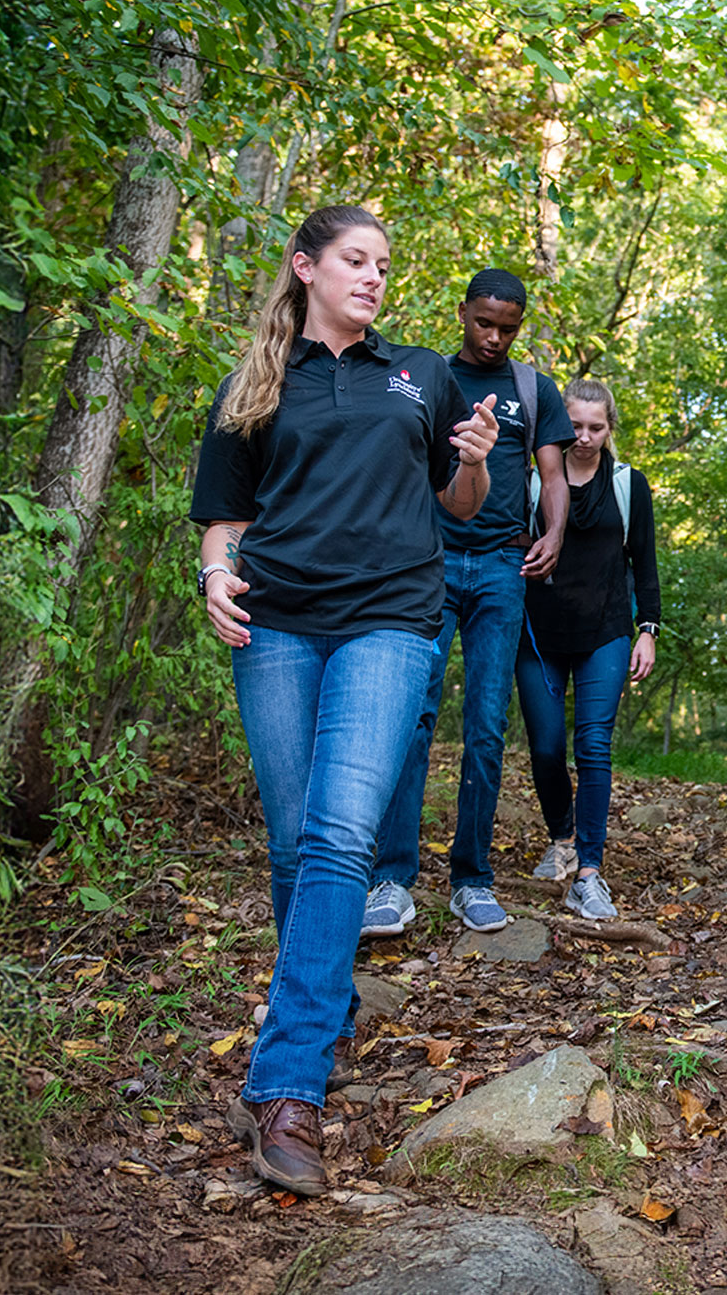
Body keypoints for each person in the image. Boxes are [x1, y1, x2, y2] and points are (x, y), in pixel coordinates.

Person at [190, 205, 499, 1195]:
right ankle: (320, 1002)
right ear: (305, 266)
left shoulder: (417, 373)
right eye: (354, 261)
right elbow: (221, 520)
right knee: (291, 846)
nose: (372, 277)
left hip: (390, 620)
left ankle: (286, 1092)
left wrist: (477, 458)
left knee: (334, 842)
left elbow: (455, 506)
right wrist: (212, 578)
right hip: (275, 625)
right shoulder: (255, 383)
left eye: (381, 265)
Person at [360, 268, 574, 939]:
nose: (494, 336)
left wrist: (556, 532)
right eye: (484, 322)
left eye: (508, 327)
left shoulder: (532, 389)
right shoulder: (428, 377)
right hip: (429, 563)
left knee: (486, 724)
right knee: (413, 713)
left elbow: (553, 472)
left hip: (504, 567)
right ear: (463, 313)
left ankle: (471, 878)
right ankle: (392, 879)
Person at [513, 379, 660, 919]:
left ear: (609, 428)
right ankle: (563, 838)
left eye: (596, 427)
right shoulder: (531, 483)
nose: (584, 437)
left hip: (606, 631)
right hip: (537, 633)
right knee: (547, 746)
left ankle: (590, 872)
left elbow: (643, 563)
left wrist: (648, 629)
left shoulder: (628, 484)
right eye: (574, 426)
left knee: (593, 743)